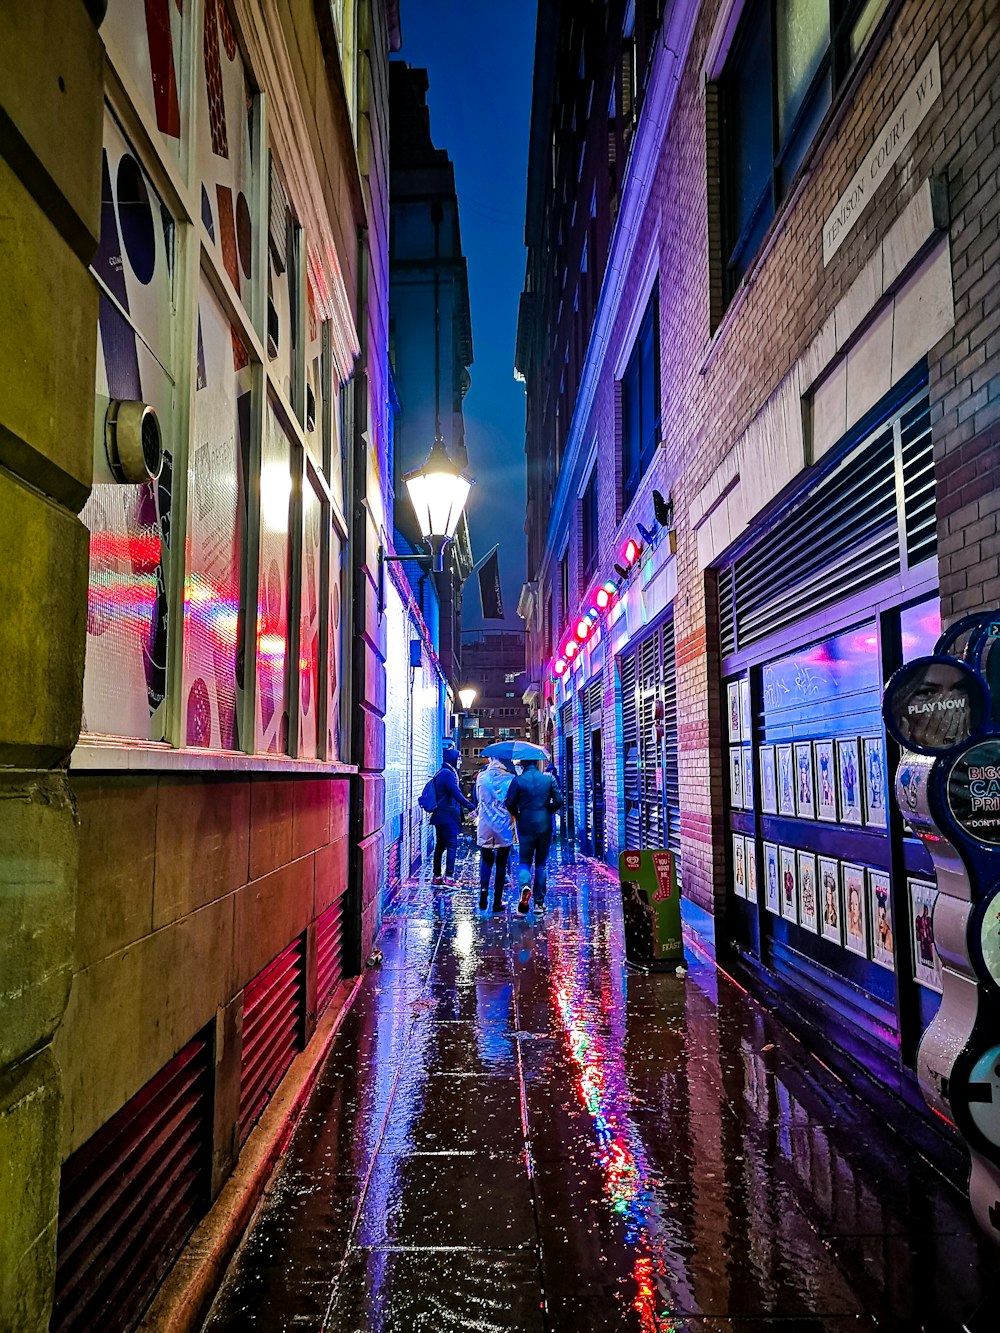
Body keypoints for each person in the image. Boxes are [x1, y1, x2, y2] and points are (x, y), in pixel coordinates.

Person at [505, 758, 564, 916]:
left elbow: (509, 803)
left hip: (525, 824)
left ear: (523, 764)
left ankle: (524, 887)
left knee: (524, 861)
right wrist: (547, 811)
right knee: (541, 864)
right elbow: (559, 801)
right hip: (544, 824)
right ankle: (539, 904)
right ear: (536, 762)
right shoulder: (548, 779)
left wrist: (518, 814)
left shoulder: (517, 781)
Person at [428, 746, 474, 887]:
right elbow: (456, 794)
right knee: (452, 845)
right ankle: (449, 877)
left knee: (440, 846)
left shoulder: (441, 772)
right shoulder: (448, 774)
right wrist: (471, 807)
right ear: (452, 759)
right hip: (448, 816)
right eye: (458, 758)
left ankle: (437, 876)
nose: (459, 761)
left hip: (440, 816)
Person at [475, 757, 515, 912]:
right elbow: (512, 801)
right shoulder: (510, 778)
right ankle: (497, 902)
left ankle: (484, 891)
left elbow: (478, 798)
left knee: (486, 859)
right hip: (502, 823)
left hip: (485, 822)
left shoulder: (481, 777)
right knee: (501, 863)